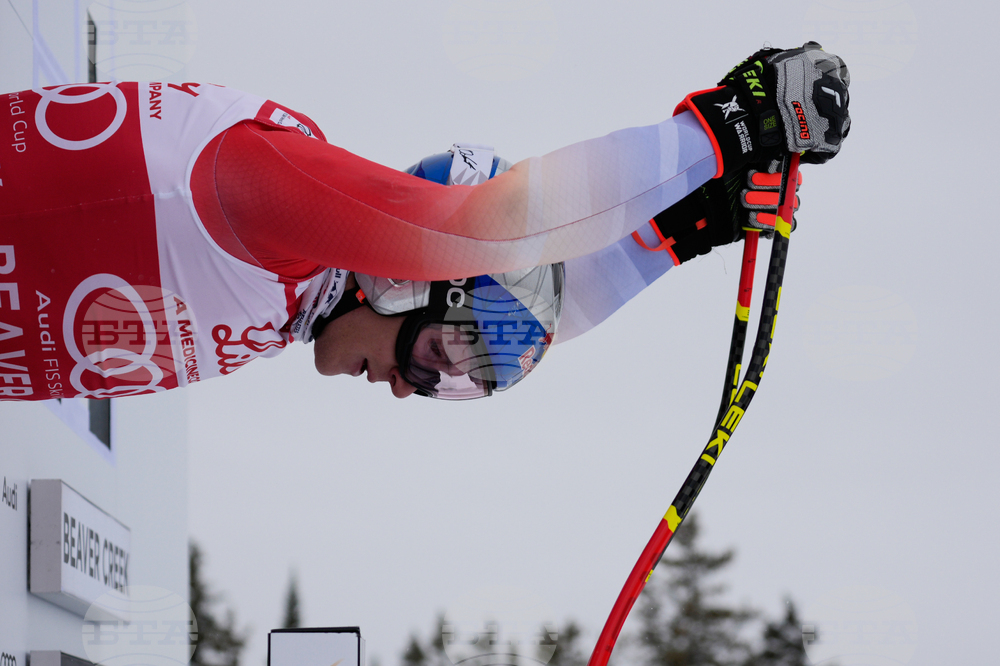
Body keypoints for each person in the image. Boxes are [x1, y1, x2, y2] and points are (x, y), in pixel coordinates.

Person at [0, 43, 849, 401]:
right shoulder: (273, 198)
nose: (408, 389)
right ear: (408, 279)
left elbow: (541, 296)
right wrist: (720, 133)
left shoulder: (291, 295)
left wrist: (686, 227)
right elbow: (491, 233)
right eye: (439, 358)